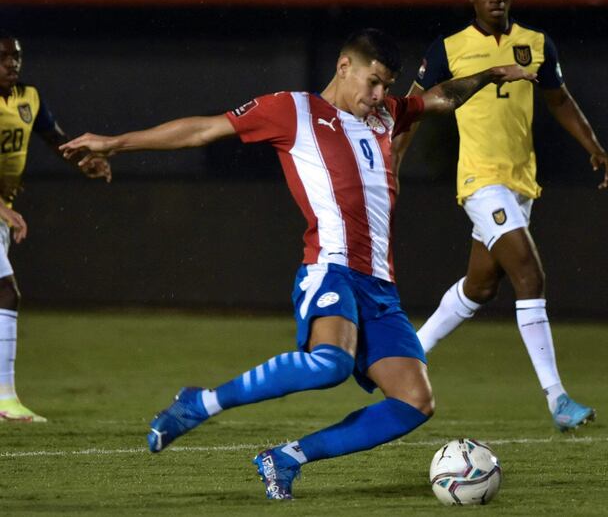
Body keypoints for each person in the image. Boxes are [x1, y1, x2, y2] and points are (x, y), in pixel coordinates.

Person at [61, 28, 535, 500]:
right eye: (373, 82)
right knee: (328, 365)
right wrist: (116, 143)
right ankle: (200, 402)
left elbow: (441, 98)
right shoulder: (294, 110)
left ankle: (287, 457)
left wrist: (491, 73)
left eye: (386, 86)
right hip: (329, 269)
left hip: (381, 287)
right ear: (343, 66)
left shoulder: (387, 115)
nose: (379, 95)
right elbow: (204, 129)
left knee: (415, 402)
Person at [392, 0, 608, 432]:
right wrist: (392, 165)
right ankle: (558, 399)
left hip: (520, 184)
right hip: (479, 181)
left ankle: (405, 353)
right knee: (529, 278)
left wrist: (592, 145)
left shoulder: (535, 45)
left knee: (480, 286)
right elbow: (411, 107)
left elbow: (558, 99)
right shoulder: (449, 48)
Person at [0, 31, 112, 422]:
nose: (12, 64)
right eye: (3, 58)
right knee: (6, 293)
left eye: (16, 57)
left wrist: (84, 161)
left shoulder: (29, 98)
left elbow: (55, 139)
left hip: (4, 210)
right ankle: (5, 400)